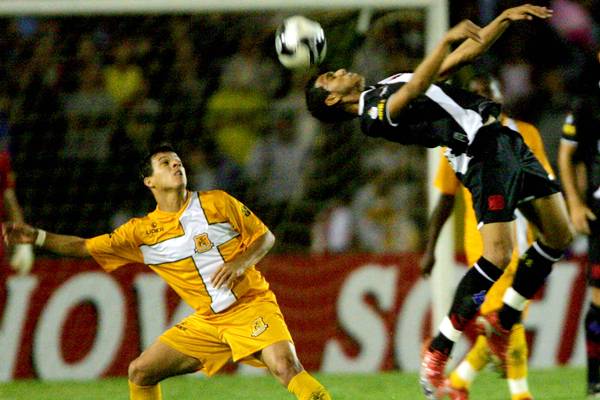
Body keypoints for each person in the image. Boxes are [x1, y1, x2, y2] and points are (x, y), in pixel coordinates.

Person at [304, 4, 573, 399]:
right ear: (330, 101)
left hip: (504, 140)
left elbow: (460, 59)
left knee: (558, 235)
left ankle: (503, 320)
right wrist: (444, 38)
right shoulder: (373, 114)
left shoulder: (386, 83)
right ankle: (438, 350)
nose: (339, 71)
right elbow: (417, 87)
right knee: (498, 255)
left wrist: (500, 20)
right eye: (330, 78)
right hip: (480, 152)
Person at [1, 143, 331, 400]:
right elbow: (85, 247)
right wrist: (37, 236)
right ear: (150, 181)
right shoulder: (140, 233)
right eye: (165, 163)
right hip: (208, 322)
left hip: (250, 305)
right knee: (140, 371)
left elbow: (265, 237)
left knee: (286, 367)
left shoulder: (217, 203)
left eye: (178, 161)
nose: (176, 165)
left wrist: (239, 263)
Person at [420, 74, 555, 400]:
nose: (480, 96)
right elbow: (446, 198)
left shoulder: (526, 133)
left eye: (486, 91)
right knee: (506, 320)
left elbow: (546, 181)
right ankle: (520, 394)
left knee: (504, 320)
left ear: (499, 96)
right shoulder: (458, 139)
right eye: (474, 91)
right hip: (486, 245)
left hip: (526, 241)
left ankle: (459, 382)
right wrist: (430, 247)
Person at [558, 49, 600, 399]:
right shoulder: (587, 105)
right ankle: (595, 380)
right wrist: (573, 203)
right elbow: (566, 154)